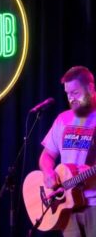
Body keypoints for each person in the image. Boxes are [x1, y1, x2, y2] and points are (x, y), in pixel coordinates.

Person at [39, 66, 96, 236]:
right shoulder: (63, 119)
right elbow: (47, 155)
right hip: (68, 207)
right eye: (68, 94)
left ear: (91, 89)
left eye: (76, 93)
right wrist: (48, 172)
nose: (71, 98)